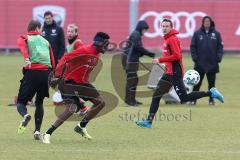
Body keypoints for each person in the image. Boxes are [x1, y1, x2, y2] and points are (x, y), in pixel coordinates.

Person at [136, 19, 224, 128]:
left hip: (175, 73)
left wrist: (160, 60)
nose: (164, 28)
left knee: (184, 98)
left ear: (171, 27)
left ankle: (211, 93)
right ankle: (148, 122)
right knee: (156, 96)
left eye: (167, 26)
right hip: (168, 73)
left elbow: (177, 56)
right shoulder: (167, 39)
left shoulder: (172, 39)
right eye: (162, 26)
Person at [41, 32, 110, 144]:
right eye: (105, 45)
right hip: (69, 82)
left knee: (101, 102)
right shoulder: (85, 50)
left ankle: (81, 126)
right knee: (71, 109)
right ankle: (47, 133)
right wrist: (57, 75)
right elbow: (66, 57)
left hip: (82, 83)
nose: (107, 48)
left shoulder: (97, 55)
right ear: (99, 43)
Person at [16, 20, 55, 139]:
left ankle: (26, 115)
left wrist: (26, 58)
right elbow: (53, 60)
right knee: (39, 102)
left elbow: (20, 43)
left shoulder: (26, 37)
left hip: (33, 72)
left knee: (20, 102)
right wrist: (54, 74)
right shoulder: (46, 41)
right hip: (46, 74)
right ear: (37, 28)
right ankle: (37, 131)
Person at [52, 24, 88, 116]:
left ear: (76, 32)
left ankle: (81, 106)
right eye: (68, 31)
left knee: (67, 88)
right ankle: (80, 106)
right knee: (67, 89)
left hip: (75, 71)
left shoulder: (77, 43)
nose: (69, 33)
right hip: (70, 70)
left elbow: (82, 55)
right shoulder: (70, 42)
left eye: (72, 31)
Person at [190, 16, 224, 105]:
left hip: (212, 64)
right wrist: (195, 58)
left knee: (212, 84)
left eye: (208, 21)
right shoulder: (197, 33)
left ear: (211, 22)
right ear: (203, 22)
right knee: (197, 84)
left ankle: (211, 100)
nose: (207, 23)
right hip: (200, 64)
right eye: (205, 21)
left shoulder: (216, 34)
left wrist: (219, 57)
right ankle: (193, 100)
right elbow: (193, 46)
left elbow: (220, 47)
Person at [122, 20, 155, 107]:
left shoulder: (135, 34)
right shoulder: (136, 35)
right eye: (145, 30)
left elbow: (136, 49)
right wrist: (150, 54)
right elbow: (138, 47)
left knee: (134, 79)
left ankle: (132, 100)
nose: (145, 32)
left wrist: (141, 53)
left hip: (130, 59)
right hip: (129, 61)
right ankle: (128, 101)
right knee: (131, 80)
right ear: (141, 28)